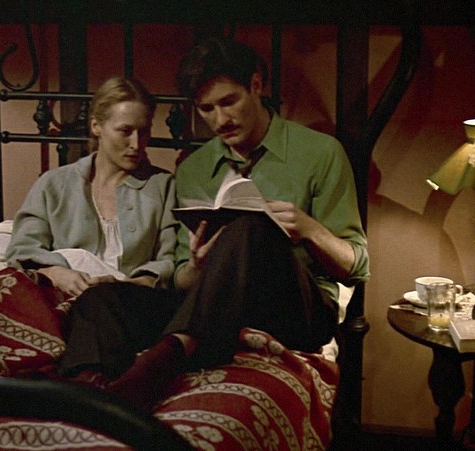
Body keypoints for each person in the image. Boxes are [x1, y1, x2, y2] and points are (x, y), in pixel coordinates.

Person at [95, 36, 371, 409]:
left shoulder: (320, 153)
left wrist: (310, 230)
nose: (220, 120)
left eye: (229, 102)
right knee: (103, 297)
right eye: (206, 109)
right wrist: (197, 266)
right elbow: (180, 278)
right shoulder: (193, 169)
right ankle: (87, 389)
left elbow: (356, 266)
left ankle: (172, 352)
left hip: (297, 313)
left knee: (251, 226)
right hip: (217, 308)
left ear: (256, 85)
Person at [4, 76, 181, 388]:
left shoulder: (163, 186)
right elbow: (22, 248)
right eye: (125, 131)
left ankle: (84, 383)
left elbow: (170, 260)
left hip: (131, 300)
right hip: (69, 296)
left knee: (100, 299)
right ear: (97, 126)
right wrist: (56, 272)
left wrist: (128, 283)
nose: (136, 144)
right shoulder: (55, 184)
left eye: (144, 131)